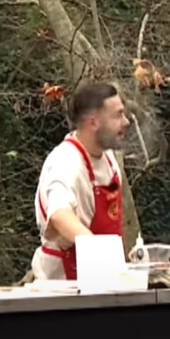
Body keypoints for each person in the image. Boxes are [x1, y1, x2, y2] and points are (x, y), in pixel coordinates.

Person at [30, 83, 131, 280]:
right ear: (93, 122)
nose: (126, 122)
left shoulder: (109, 159)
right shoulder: (65, 162)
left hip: (102, 281)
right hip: (65, 289)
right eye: (118, 115)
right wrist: (102, 256)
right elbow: (59, 215)